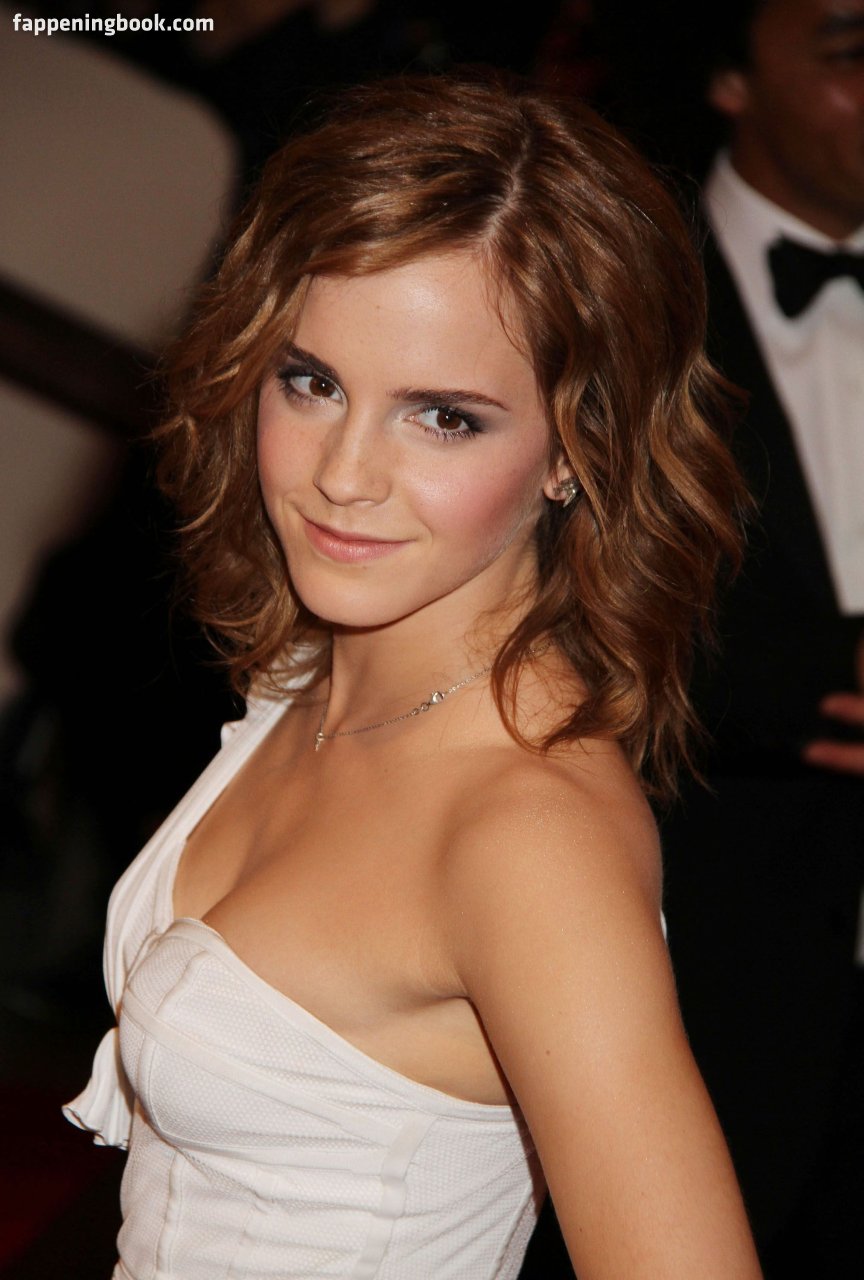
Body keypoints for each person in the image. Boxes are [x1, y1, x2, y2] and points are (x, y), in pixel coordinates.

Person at [63, 72, 762, 1278]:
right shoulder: (315, 673)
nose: (344, 474)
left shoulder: (527, 834)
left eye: (443, 416)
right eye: (312, 382)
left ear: (576, 449)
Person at [658, 0, 864, 1269]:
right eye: (851, 51)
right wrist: (808, 683)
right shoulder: (622, 291)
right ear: (729, 75)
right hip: (696, 960)